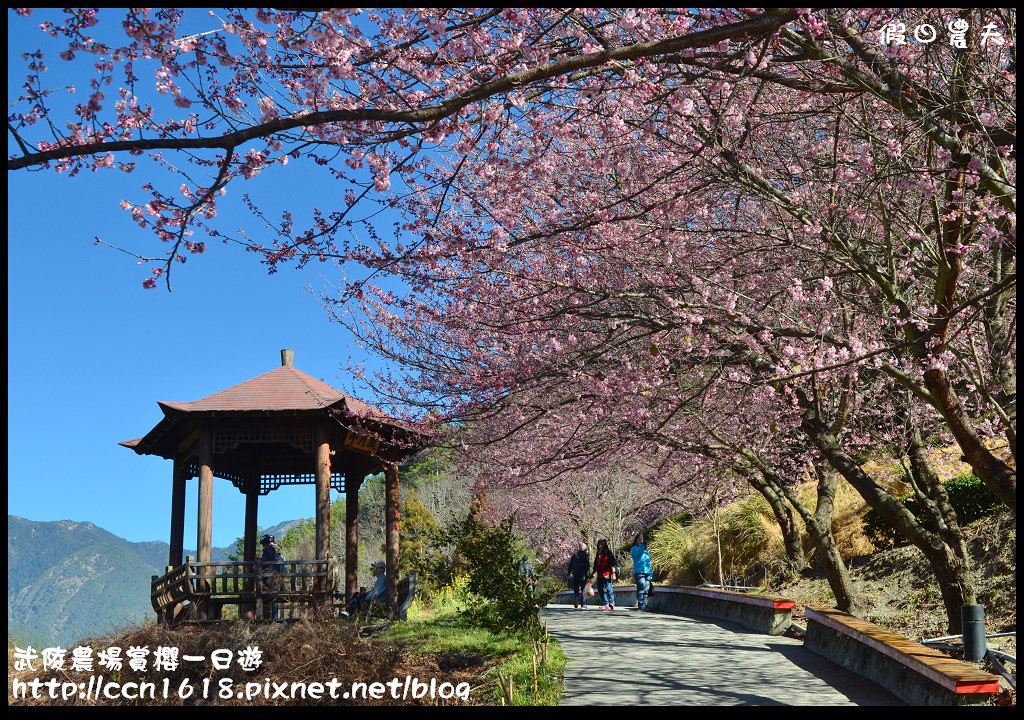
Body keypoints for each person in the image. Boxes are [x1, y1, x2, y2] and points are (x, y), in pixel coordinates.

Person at [259, 534, 286, 620]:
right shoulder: (278, 549)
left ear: (265, 543)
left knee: (267, 595)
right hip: (280, 578)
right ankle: (274, 618)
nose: (263, 547)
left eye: (263, 545)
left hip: (271, 578)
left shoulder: (268, 550)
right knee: (274, 596)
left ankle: (269, 619)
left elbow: (264, 563)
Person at [592, 539, 619, 610]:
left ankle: (611, 603)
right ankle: (605, 603)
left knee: (608, 588)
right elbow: (596, 563)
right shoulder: (598, 553)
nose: (600, 546)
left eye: (602, 544)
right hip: (600, 573)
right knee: (600, 589)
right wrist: (593, 572)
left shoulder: (608, 552)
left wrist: (613, 571)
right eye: (599, 544)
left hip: (607, 573)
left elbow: (613, 562)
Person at [631, 533, 653, 611]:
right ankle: (641, 605)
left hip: (647, 572)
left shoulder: (645, 551)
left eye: (642, 539)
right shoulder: (634, 549)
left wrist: (651, 574)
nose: (641, 540)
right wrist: (640, 544)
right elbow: (639, 555)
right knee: (641, 587)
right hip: (639, 571)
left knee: (646, 589)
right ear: (636, 540)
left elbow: (648, 562)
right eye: (639, 539)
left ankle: (644, 604)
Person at [567, 541, 592, 609]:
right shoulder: (585, 556)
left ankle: (577, 597)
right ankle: (583, 604)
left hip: (575, 575)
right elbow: (587, 568)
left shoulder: (574, 556)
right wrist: (588, 577)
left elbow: (570, 565)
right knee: (584, 590)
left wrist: (569, 573)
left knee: (576, 589)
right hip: (583, 576)